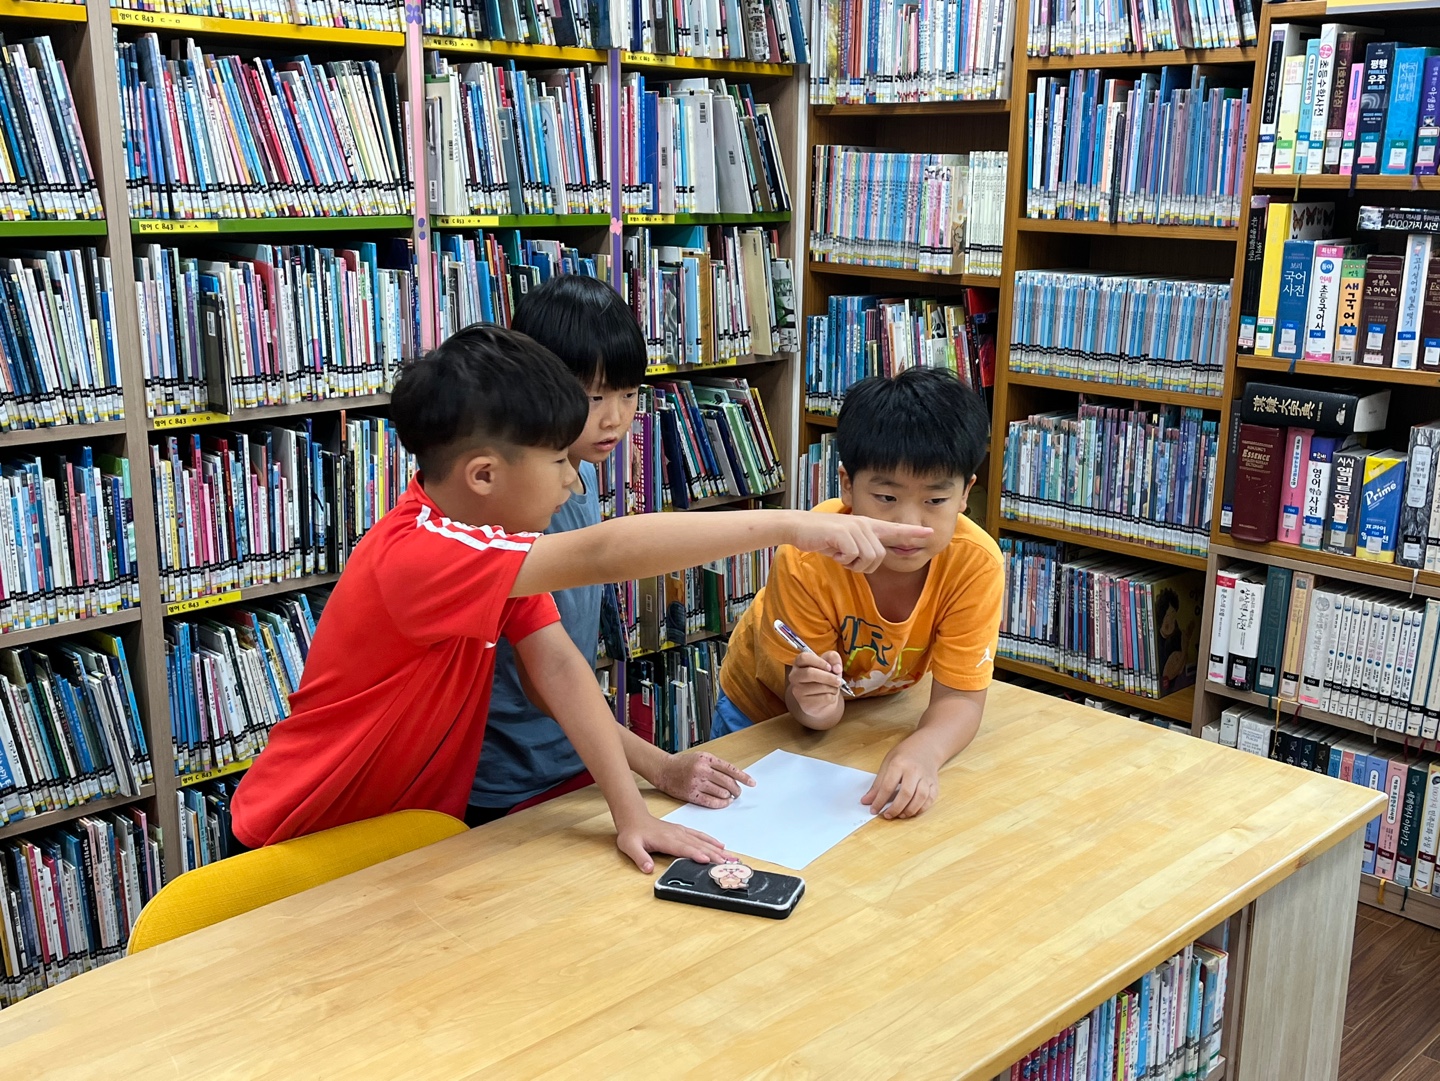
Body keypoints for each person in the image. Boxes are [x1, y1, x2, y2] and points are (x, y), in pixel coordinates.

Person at [230, 324, 929, 873]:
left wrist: (634, 810)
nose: (573, 480)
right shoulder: (422, 555)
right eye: (558, 461)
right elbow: (601, 551)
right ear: (483, 475)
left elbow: (560, 673)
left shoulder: (491, 544)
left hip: (399, 837)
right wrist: (791, 525)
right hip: (299, 837)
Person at [469, 275, 753, 826]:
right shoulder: (520, 508)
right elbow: (547, 679)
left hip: (575, 756)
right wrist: (660, 766)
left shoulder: (576, 470)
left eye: (628, 394)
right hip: (506, 783)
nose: (616, 418)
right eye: (594, 397)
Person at [712, 367, 1002, 822]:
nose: (909, 525)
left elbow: (961, 698)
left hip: (870, 715)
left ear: (965, 493)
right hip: (765, 710)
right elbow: (808, 706)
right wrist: (817, 706)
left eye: (935, 501)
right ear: (847, 485)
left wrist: (924, 750)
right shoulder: (808, 558)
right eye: (886, 497)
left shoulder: (975, 563)